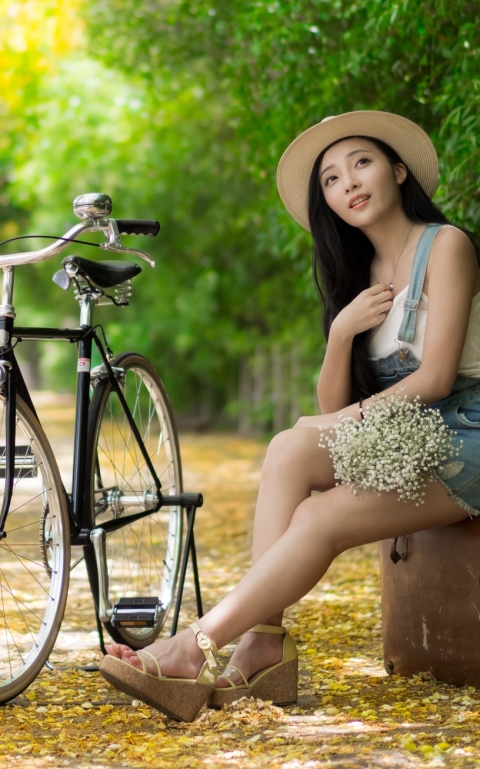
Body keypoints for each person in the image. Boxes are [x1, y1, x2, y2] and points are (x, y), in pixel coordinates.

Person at [100, 110, 480, 723]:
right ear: (326, 202)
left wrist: (324, 427)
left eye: (362, 163)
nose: (349, 182)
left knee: (316, 499)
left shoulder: (447, 246)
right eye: (331, 178)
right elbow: (335, 408)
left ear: (398, 169)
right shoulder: (357, 275)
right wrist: (341, 335)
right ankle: (261, 644)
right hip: (407, 434)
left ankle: (193, 647)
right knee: (288, 447)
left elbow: (435, 379)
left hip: (468, 431)